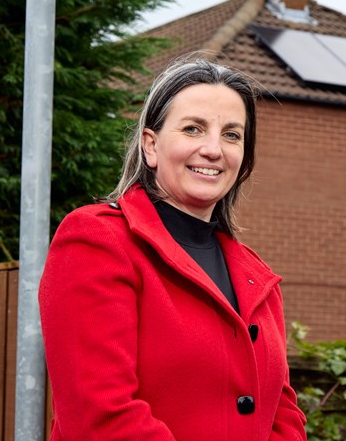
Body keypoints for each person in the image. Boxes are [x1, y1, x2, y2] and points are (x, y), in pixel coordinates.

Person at [39, 56, 307, 440]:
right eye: (193, 129)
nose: (213, 149)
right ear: (151, 145)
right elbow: (99, 416)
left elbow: (284, 415)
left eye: (232, 135)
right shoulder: (97, 241)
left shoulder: (256, 277)